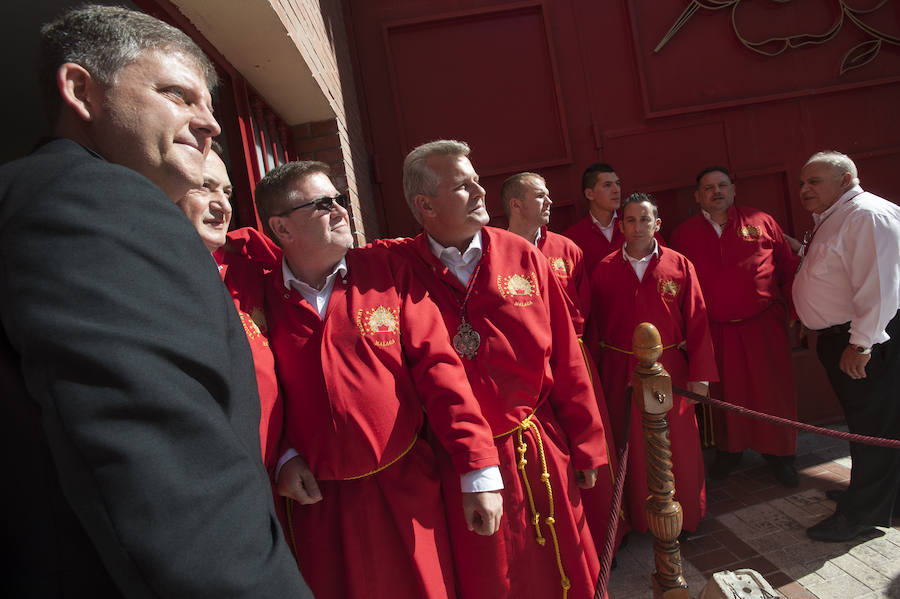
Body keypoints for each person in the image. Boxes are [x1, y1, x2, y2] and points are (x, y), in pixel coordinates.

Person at [0, 5, 310, 598]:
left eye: (209, 106)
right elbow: (166, 476)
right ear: (81, 91)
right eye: (177, 95)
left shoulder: (47, 196)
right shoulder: (96, 198)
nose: (210, 124)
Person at [248, 160, 503, 598]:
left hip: (406, 491)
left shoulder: (385, 273)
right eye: (323, 204)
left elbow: (441, 373)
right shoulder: (260, 299)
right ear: (281, 228)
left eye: (340, 199)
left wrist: (477, 467)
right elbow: (259, 394)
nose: (340, 210)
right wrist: (284, 457)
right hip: (319, 509)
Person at [387, 140, 609, 599]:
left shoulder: (523, 255)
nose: (480, 191)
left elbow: (567, 357)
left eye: (476, 180)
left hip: (539, 449)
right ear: (425, 205)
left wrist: (587, 443)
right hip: (457, 464)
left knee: (563, 573)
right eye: (462, 185)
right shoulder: (398, 268)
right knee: (489, 579)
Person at [501, 171, 626, 554]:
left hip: (573, 359)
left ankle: (606, 536)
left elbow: (585, 311)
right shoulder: (494, 252)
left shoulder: (568, 249)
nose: (550, 202)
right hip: (524, 370)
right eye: (540, 195)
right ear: (516, 204)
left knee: (590, 444)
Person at [590, 193, 718, 534]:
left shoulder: (679, 265)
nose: (637, 226)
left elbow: (698, 321)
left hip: (671, 368)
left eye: (644, 219)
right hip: (621, 369)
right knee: (629, 445)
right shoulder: (603, 270)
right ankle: (639, 519)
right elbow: (594, 327)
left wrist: (701, 376)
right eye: (630, 220)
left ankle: (686, 516)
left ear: (657, 223)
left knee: (679, 445)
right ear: (621, 225)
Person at [793, 151, 900, 542]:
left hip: (866, 339)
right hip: (845, 337)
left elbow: (880, 286)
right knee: (869, 424)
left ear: (845, 179)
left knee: (873, 427)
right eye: (802, 183)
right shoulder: (836, 216)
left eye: (814, 181)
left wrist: (862, 345)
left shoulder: (866, 216)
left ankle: (862, 515)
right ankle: (880, 496)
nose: (804, 189)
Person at [670, 166, 801, 486]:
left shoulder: (762, 221)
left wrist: (798, 312)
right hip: (714, 330)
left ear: (733, 189)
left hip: (762, 325)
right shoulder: (683, 234)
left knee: (772, 393)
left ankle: (781, 455)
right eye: (709, 187)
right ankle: (730, 451)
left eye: (722, 185)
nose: (716, 191)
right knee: (725, 395)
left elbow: (789, 268)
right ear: (697, 196)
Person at [176, 142, 284, 473]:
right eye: (204, 186)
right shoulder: (148, 281)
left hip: (273, 476)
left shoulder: (252, 272)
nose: (223, 205)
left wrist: (288, 454)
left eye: (226, 192)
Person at [562, 162, 664, 273]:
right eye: (607, 185)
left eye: (617, 183)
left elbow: (665, 262)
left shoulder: (638, 224)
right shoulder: (572, 238)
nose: (616, 190)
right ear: (590, 194)